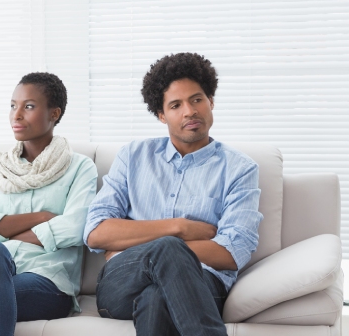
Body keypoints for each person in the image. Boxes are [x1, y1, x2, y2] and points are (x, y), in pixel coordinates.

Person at [83, 52, 263, 335]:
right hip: (122, 282)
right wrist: (178, 228)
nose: (190, 111)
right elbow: (96, 232)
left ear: (211, 102)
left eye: (197, 99)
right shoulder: (133, 156)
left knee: (156, 297)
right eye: (176, 105)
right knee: (168, 246)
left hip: (203, 283)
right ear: (161, 114)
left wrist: (141, 245)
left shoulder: (239, 168)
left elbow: (232, 252)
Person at [0, 72, 98, 336]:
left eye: (28, 106)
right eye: (12, 106)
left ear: (54, 113)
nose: (16, 115)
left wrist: (2, 235)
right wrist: (41, 217)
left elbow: (76, 227)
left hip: (47, 279)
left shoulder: (79, 167)